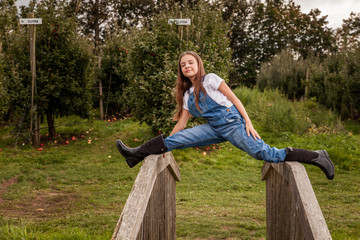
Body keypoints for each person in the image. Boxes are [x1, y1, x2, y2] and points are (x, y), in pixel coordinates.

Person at [116, 51, 334, 180]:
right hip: (214, 128)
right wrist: (168, 146)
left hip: (232, 123)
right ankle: (135, 154)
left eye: (190, 62)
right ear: (181, 70)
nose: (186, 66)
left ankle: (316, 156)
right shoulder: (187, 95)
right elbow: (181, 124)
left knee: (265, 154)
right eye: (183, 65)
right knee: (178, 139)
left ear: (198, 64)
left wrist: (248, 123)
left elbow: (236, 100)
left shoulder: (210, 79)